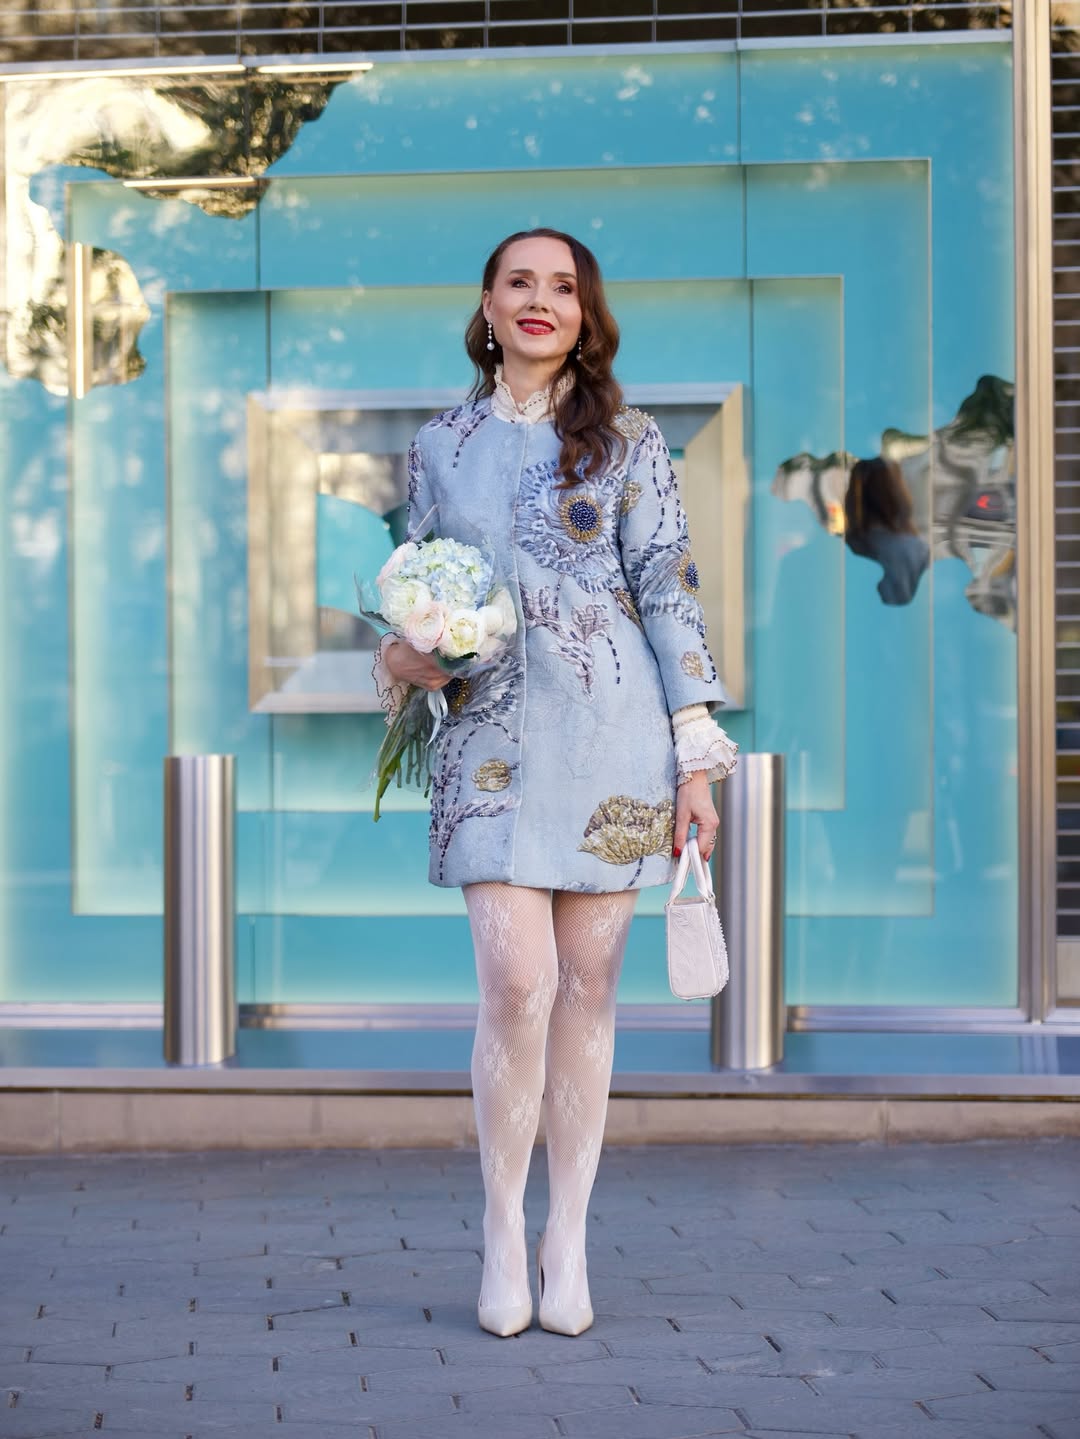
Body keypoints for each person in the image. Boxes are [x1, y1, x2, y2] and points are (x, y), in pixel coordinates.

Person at [372, 228, 737, 1339]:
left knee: (588, 987)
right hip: (485, 745)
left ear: (586, 314)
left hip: (615, 744)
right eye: (520, 282)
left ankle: (565, 1235)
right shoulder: (438, 446)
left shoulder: (630, 440)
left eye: (563, 286)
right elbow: (413, 586)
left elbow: (667, 586)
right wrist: (400, 657)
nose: (541, 300)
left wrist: (696, 755)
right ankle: (499, 1224)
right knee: (518, 984)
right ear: (486, 304)